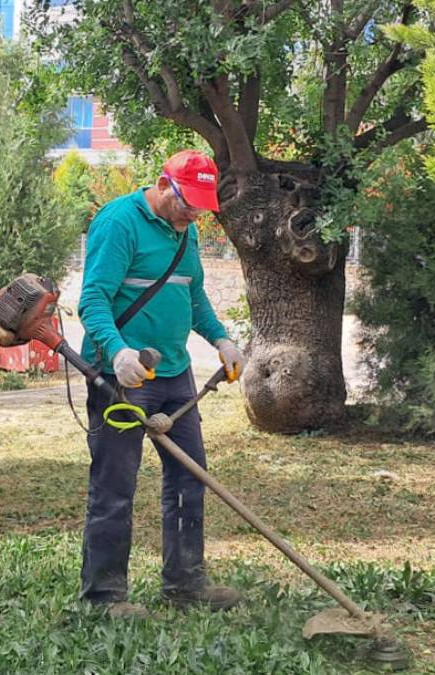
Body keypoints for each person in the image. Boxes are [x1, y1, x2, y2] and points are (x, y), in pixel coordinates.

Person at [77, 149, 247, 619]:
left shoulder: (186, 231)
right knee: (115, 487)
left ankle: (185, 583)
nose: (193, 212)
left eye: (200, 204)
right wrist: (118, 353)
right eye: (186, 200)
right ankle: (104, 598)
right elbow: (92, 300)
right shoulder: (119, 223)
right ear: (162, 183)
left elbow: (193, 295)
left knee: (190, 479)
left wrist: (222, 338)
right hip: (124, 376)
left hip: (176, 374)